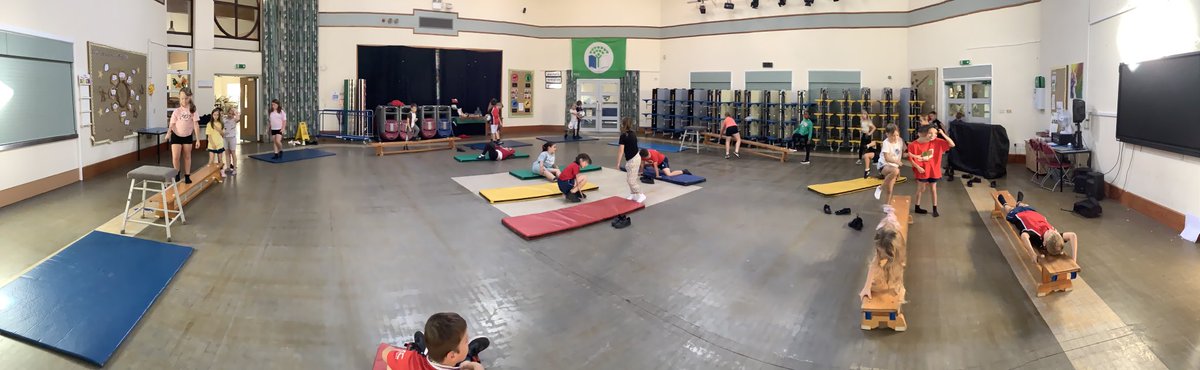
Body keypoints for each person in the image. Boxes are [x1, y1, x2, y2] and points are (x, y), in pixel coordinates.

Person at [383, 312, 489, 370]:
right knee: (466, 359)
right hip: (455, 361)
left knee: (423, 351)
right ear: (452, 355)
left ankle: (424, 347)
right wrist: (476, 367)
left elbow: (385, 352)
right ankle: (469, 355)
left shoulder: (411, 360)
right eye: (466, 341)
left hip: (426, 359)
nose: (468, 339)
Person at [998, 191, 1079, 261]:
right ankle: (1019, 202)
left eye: (1050, 232)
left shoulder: (1036, 235)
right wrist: (1074, 259)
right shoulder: (1054, 237)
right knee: (1025, 205)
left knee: (1009, 209)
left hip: (1018, 215)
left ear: (1044, 242)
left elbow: (1024, 236)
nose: (1052, 230)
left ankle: (1004, 203)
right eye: (1055, 232)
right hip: (1033, 213)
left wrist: (1032, 253)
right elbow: (1073, 235)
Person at [907, 121, 956, 217]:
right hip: (923, 170)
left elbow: (952, 144)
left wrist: (942, 134)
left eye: (935, 133)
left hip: (934, 170)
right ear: (923, 134)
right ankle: (917, 206)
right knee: (921, 189)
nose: (933, 135)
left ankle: (935, 208)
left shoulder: (937, 141)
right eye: (930, 133)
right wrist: (918, 167)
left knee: (933, 189)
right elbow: (911, 158)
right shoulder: (913, 145)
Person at [860, 204, 907, 303]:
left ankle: (891, 213)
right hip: (885, 228)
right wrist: (866, 287)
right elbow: (873, 265)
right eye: (879, 251)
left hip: (893, 228)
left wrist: (899, 285)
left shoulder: (898, 250)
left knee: (892, 221)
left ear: (892, 254)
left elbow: (900, 265)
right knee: (889, 220)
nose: (880, 255)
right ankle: (890, 213)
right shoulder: (881, 244)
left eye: (882, 253)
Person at [167, 88, 201, 184]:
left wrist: (198, 140)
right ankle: (176, 173)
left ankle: (187, 175)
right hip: (176, 136)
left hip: (187, 136)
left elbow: (196, 125)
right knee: (176, 157)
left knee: (187, 156)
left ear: (190, 97)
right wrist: (168, 133)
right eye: (181, 98)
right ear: (179, 98)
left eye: (186, 98)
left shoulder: (193, 110)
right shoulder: (177, 111)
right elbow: (172, 124)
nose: (183, 101)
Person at [616, 118, 646, 203]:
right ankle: (633, 194)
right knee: (630, 178)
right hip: (634, 158)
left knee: (631, 180)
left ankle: (640, 194)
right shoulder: (633, 133)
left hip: (633, 159)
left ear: (623, 124)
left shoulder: (623, 135)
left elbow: (621, 151)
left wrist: (618, 163)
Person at [873, 124, 906, 202]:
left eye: (897, 135)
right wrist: (897, 162)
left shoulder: (900, 141)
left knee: (890, 190)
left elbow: (905, 152)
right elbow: (887, 158)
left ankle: (887, 206)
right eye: (893, 136)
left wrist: (917, 156)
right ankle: (880, 188)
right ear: (887, 134)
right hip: (884, 165)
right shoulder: (886, 143)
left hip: (894, 167)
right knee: (895, 171)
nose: (895, 138)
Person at [205, 108, 227, 181]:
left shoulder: (221, 124)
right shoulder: (209, 124)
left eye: (217, 115)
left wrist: (218, 129)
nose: (216, 116)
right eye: (214, 115)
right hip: (212, 145)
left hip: (219, 144)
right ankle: (208, 174)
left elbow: (223, 134)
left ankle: (222, 171)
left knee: (220, 159)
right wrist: (212, 144)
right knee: (211, 160)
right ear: (212, 115)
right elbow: (209, 136)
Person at [221, 107, 239, 175]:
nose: (230, 115)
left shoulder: (234, 119)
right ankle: (228, 167)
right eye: (229, 113)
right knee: (227, 153)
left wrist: (235, 111)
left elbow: (238, 118)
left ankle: (234, 169)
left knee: (233, 153)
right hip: (225, 138)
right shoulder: (224, 119)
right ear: (227, 112)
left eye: (232, 114)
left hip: (232, 138)